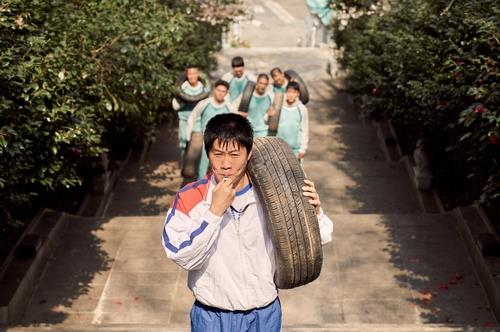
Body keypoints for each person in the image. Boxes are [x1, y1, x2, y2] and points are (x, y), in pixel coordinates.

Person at [161, 113, 333, 331]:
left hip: (264, 315)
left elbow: (322, 238)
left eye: (234, 154)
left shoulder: (273, 195)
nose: (225, 164)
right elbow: (182, 256)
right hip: (212, 317)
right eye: (218, 154)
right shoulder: (189, 197)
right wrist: (214, 212)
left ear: (249, 153)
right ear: (208, 153)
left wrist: (314, 212)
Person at [186, 80, 237, 179]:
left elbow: (234, 125)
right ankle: (200, 189)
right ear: (214, 90)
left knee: (219, 171)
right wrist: (189, 137)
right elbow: (192, 117)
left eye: (223, 91)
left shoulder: (229, 107)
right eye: (219, 90)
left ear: (226, 93)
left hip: (221, 144)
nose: (221, 93)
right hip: (205, 142)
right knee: (202, 169)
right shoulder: (204, 103)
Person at [173, 65, 210, 160]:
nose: (192, 76)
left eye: (194, 73)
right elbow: (175, 106)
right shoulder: (182, 88)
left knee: (196, 145)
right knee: (183, 143)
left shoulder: (203, 88)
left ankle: (194, 169)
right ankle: (183, 165)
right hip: (184, 120)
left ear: (198, 74)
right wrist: (182, 100)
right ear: (187, 75)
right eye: (190, 74)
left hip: (197, 121)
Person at [270, 81, 309, 159]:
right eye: (289, 92)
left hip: (295, 149)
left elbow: (305, 129)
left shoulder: (302, 109)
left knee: (295, 171)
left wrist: (303, 149)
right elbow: (269, 123)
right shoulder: (279, 106)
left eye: (294, 92)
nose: (291, 95)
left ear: (298, 94)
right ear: (286, 92)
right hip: (280, 148)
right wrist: (268, 116)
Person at [246, 73, 274, 138]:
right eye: (261, 83)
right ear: (257, 83)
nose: (263, 86)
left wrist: (269, 115)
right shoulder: (247, 96)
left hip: (263, 132)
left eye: (265, 84)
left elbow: (269, 116)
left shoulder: (270, 97)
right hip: (249, 132)